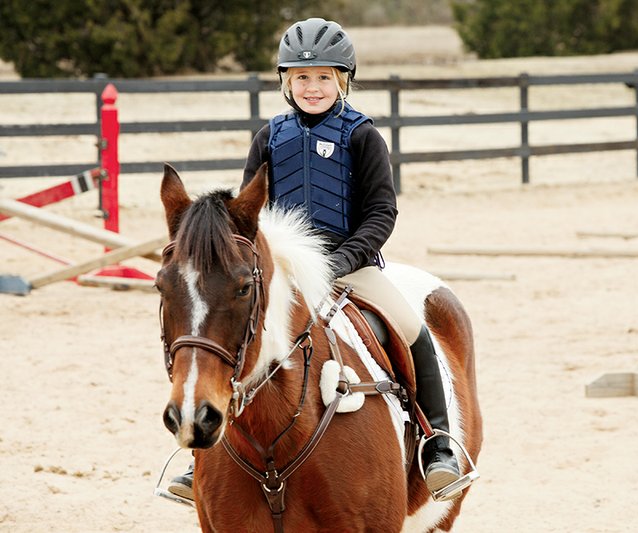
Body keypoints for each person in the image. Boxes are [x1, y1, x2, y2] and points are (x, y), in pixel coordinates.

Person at [168, 17, 461, 502]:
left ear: (343, 81)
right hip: (283, 270)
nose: (313, 87)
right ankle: (200, 455)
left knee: (412, 329)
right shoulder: (269, 138)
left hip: (353, 265)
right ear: (286, 82)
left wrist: (345, 259)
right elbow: (248, 211)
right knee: (233, 338)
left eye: (325, 77)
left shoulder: (363, 136)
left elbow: (382, 211)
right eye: (302, 78)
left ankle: (439, 446)